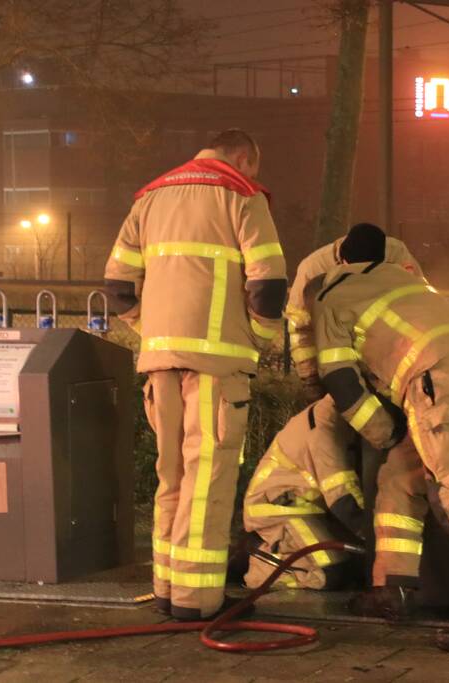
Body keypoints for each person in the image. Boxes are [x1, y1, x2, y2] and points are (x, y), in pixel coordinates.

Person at [307, 228, 449, 653]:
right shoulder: (409, 279)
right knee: (401, 476)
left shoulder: (332, 296)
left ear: (341, 264)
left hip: (436, 379)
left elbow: (339, 380)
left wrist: (383, 431)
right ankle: (393, 587)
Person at [103, 129, 287, 620]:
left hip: (159, 363)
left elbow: (117, 287)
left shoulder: (150, 197)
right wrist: (260, 340)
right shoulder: (243, 197)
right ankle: (198, 601)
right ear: (244, 158)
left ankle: (167, 589)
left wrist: (153, 329)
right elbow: (268, 287)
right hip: (217, 369)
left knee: (172, 478)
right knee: (208, 479)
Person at [286, 223, 423, 403]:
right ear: (342, 262)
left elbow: (420, 305)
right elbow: (301, 328)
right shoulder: (312, 270)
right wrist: (310, 379)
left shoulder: (397, 256)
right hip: (339, 353)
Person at [242, 396, 364, 590]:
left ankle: (279, 552)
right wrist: (373, 537)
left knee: (354, 569)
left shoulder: (328, 416)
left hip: (305, 510)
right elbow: (344, 500)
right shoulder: (324, 431)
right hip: (279, 511)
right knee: (331, 572)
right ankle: (264, 566)